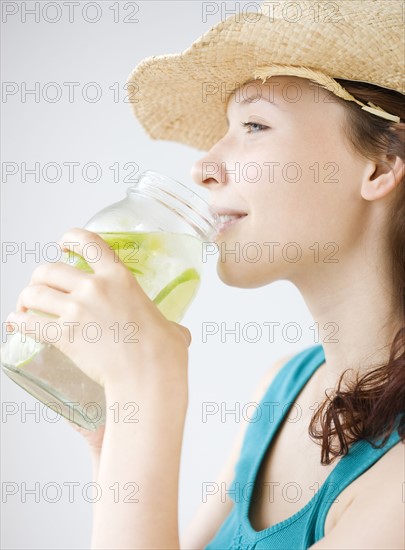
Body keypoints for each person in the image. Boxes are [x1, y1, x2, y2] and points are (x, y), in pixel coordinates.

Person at [6, 0, 404, 548]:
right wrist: (115, 431)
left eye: (255, 124)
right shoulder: (284, 388)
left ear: (380, 167)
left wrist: (150, 392)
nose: (202, 165)